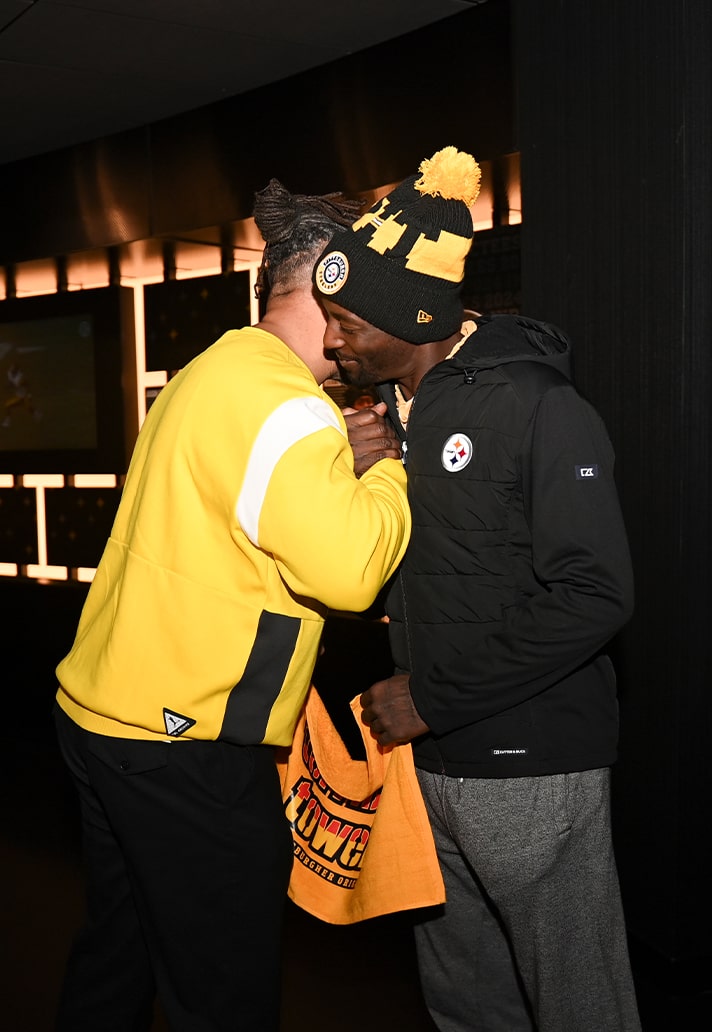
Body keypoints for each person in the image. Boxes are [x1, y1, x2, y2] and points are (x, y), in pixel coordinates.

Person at [53, 178, 410, 1032]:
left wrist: (336, 458)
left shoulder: (214, 369)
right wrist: (391, 473)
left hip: (106, 715)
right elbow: (352, 572)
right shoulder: (288, 405)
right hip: (184, 739)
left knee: (120, 953)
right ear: (333, 281)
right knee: (224, 990)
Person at [314, 146, 641, 1032]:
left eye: (346, 321)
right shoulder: (395, 418)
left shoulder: (538, 405)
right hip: (427, 763)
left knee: (577, 1001)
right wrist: (362, 482)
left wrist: (434, 696)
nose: (332, 341)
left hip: (530, 764)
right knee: (464, 998)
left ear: (409, 318)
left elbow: (594, 594)